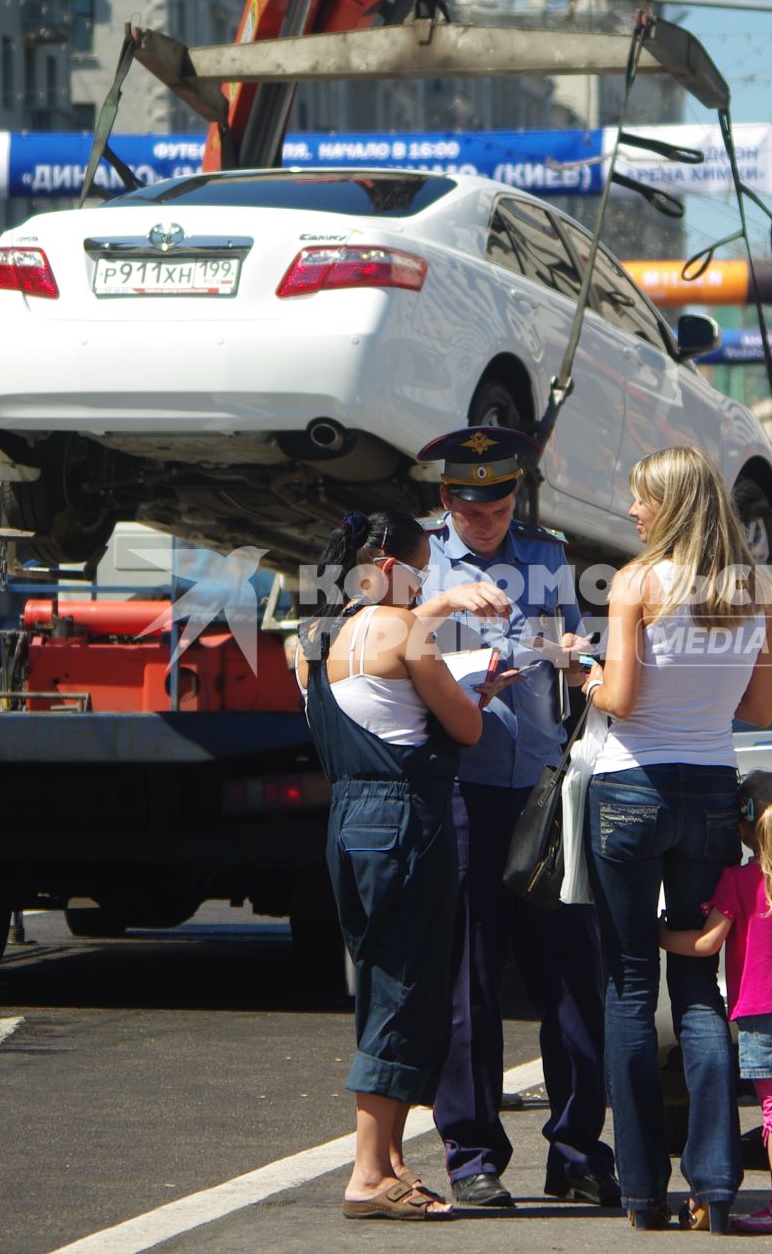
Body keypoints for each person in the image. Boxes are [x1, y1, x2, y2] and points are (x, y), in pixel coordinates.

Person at [411, 425, 618, 1209]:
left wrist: (569, 649)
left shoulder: (545, 555)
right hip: (460, 787)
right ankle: (471, 1152)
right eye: (469, 507)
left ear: (513, 498)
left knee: (570, 973)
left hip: (537, 784)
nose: (484, 520)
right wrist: (440, 608)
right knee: (468, 979)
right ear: (445, 501)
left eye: (496, 505)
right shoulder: (421, 564)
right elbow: (389, 644)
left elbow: (569, 646)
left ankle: (575, 1148)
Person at [582, 445, 772, 1232]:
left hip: (629, 789)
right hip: (707, 789)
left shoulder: (635, 582)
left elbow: (622, 700)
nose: (632, 513)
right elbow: (760, 712)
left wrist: (581, 673)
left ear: (669, 507)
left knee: (630, 985)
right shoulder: (754, 590)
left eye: (641, 501)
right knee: (700, 989)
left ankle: (640, 1190)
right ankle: (716, 1184)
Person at [296, 509, 513, 1221]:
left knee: (381, 980)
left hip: (349, 821)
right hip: (405, 819)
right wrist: (476, 690)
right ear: (386, 565)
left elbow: (373, 714)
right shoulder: (404, 628)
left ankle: (388, 1160)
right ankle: (366, 1172)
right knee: (407, 985)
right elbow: (468, 729)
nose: (424, 586)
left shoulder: (312, 636)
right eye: (421, 572)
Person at [659, 770, 772, 1237]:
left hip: (762, 1012)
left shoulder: (737, 882)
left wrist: (658, 933)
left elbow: (706, 944)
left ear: (741, 825)